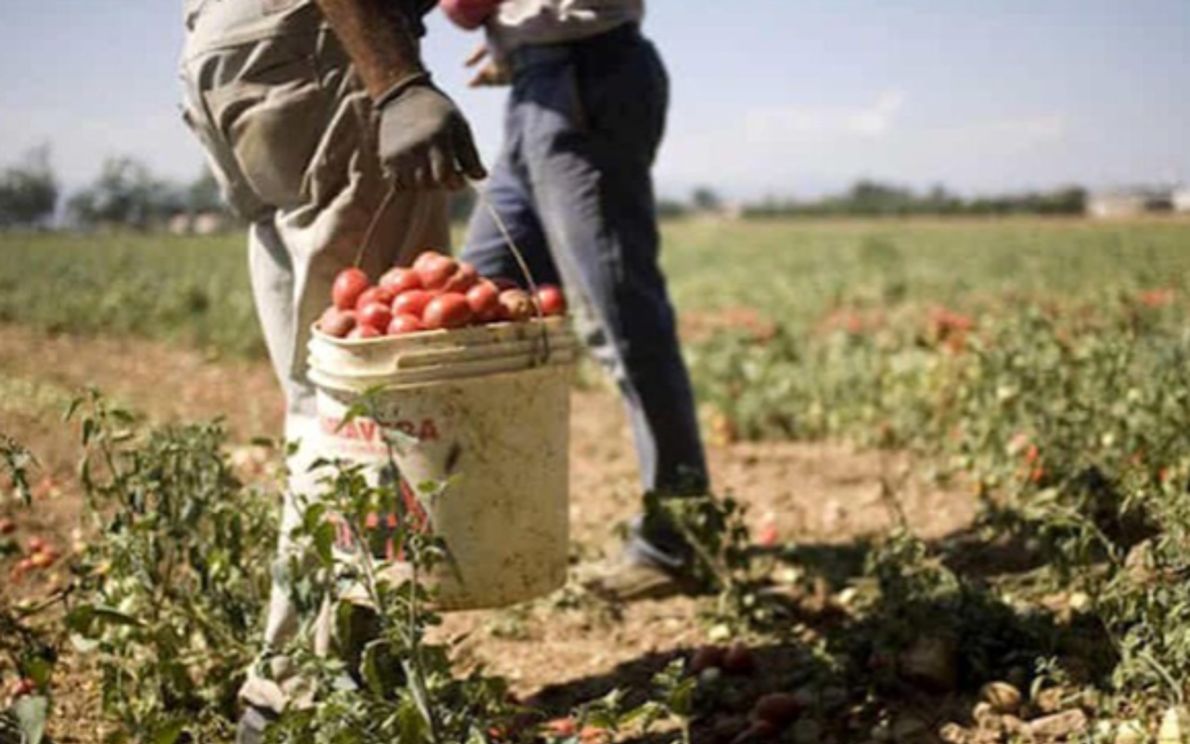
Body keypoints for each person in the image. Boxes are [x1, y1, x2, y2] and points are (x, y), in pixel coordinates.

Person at [178, 1, 483, 740]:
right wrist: (397, 80)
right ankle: (299, 694)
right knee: (369, 397)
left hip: (234, 55)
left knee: (324, 392)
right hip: (323, 48)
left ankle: (329, 674)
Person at [440, 0, 710, 599]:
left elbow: (462, 7)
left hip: (582, 79)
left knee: (620, 318)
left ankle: (678, 539)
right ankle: (480, 525)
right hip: (541, 82)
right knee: (476, 300)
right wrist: (518, 37)